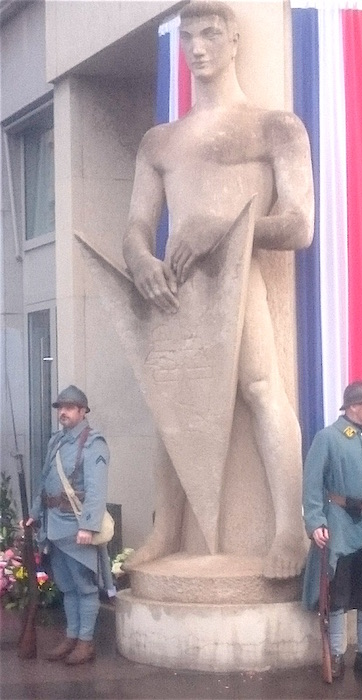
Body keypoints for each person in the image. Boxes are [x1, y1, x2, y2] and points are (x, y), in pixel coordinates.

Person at [122, 1, 314, 578]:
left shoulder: (272, 126)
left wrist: (226, 229)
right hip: (177, 285)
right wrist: (140, 261)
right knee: (171, 405)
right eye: (189, 37)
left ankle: (289, 529)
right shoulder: (161, 141)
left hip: (236, 274)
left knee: (261, 389)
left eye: (210, 34)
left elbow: (299, 224)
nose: (198, 47)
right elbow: (135, 225)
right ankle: (166, 527)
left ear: (234, 41)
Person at [302, 381, 362, 680]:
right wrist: (316, 521)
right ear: (354, 407)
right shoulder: (328, 437)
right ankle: (336, 654)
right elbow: (312, 484)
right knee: (339, 592)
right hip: (342, 524)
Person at [25, 385, 110, 664]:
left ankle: (85, 642)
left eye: (70, 407)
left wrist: (88, 527)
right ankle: (72, 637)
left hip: (76, 529)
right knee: (67, 587)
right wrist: (35, 514)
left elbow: (97, 491)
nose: (63, 412)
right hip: (54, 527)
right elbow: (45, 481)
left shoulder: (93, 443)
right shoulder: (57, 441)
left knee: (85, 587)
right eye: (61, 407)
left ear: (83, 411)